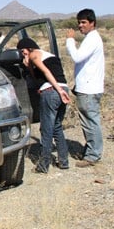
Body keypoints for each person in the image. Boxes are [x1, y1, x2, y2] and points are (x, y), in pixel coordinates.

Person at [17, 37, 71, 173]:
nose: (22, 54)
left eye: (22, 50)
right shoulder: (50, 55)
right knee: (57, 126)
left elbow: (47, 73)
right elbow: (39, 77)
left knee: (46, 130)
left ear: (29, 47)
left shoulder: (35, 54)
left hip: (51, 90)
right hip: (64, 87)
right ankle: (64, 161)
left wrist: (57, 90)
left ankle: (43, 165)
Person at [66, 8, 105, 167]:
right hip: (88, 87)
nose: (80, 26)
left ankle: (93, 155)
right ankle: (91, 150)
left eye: (83, 22)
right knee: (89, 121)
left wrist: (70, 40)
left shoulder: (92, 39)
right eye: (79, 22)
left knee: (90, 122)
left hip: (89, 89)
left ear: (92, 23)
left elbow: (76, 56)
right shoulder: (92, 38)